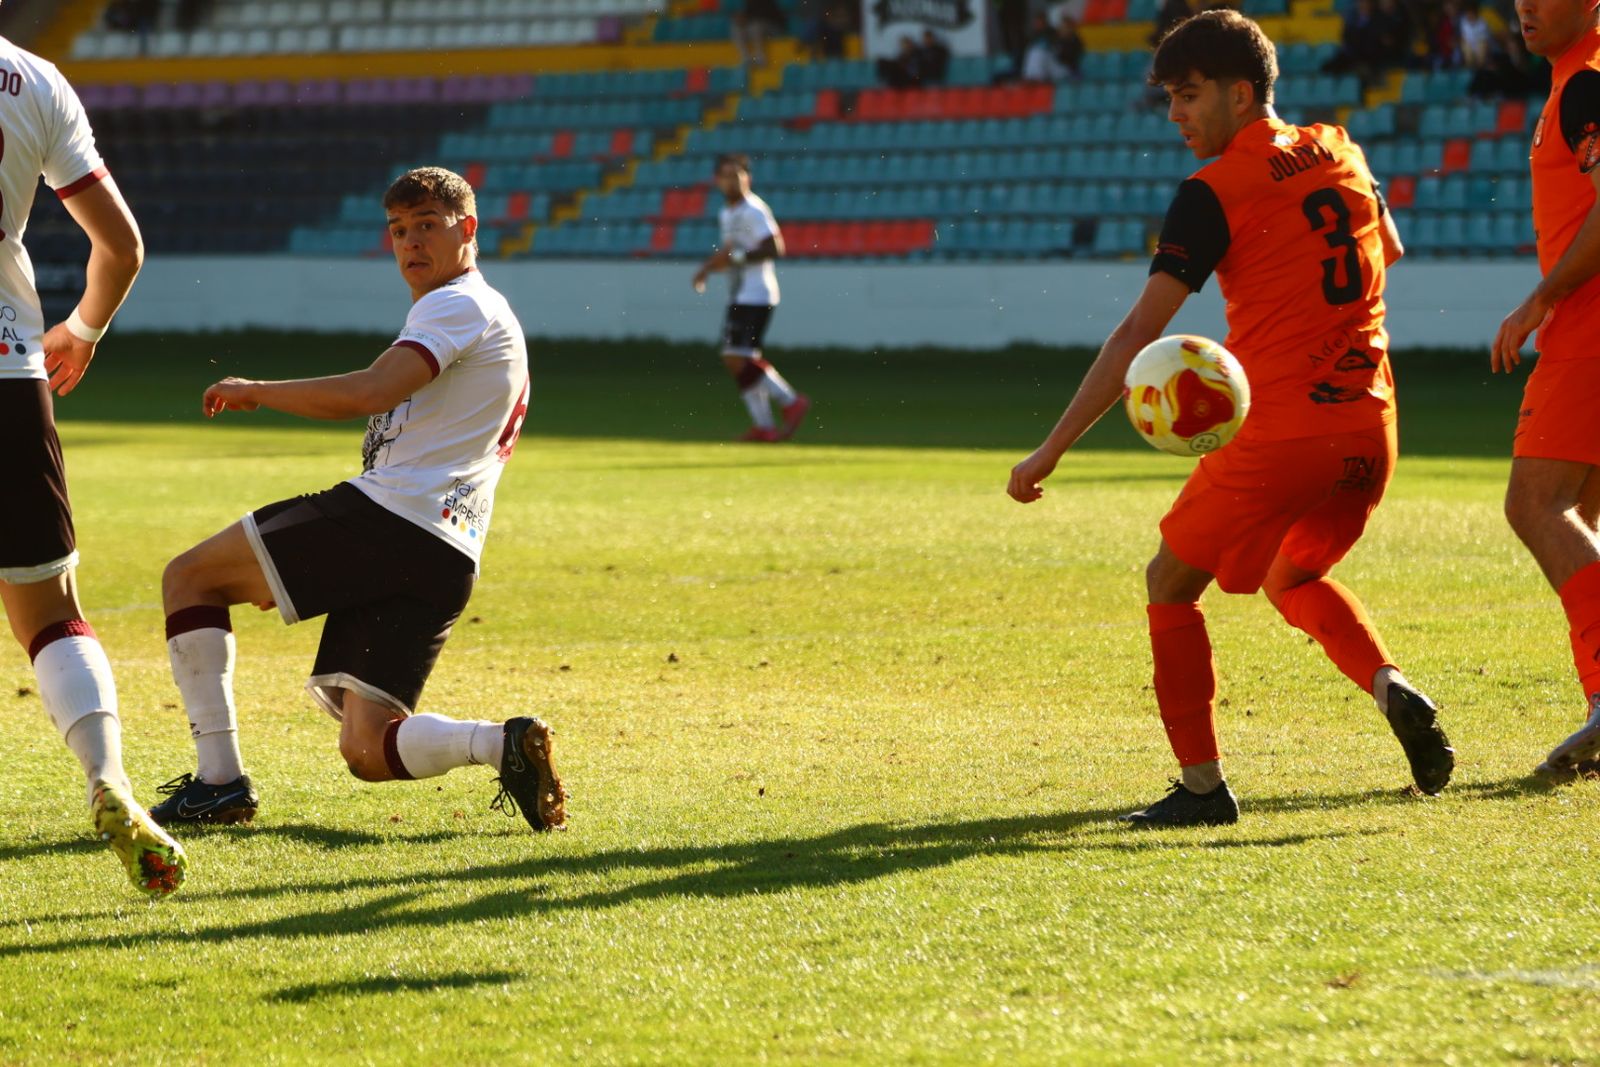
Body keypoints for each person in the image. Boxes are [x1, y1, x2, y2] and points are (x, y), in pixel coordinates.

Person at [1007, 9, 1454, 825]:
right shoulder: (1342, 148)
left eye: (1188, 95)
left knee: (1169, 582)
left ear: (1240, 94)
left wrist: (1050, 449)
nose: (1174, 114)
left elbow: (1136, 335)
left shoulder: (1211, 191)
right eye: (1169, 98)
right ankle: (1390, 683)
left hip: (1281, 435)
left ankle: (1202, 788)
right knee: (1293, 575)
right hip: (1371, 427)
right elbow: (1386, 246)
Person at [149, 167, 567, 832]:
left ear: (468, 229)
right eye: (399, 230)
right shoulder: (478, 311)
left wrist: (258, 390)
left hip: (391, 520)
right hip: (447, 550)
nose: (411, 242)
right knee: (367, 749)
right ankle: (502, 743)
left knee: (190, 578)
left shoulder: (458, 303)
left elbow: (369, 392)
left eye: (427, 225)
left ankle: (218, 783)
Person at [0, 29, 185, 895]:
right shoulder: (36, 81)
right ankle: (108, 777)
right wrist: (82, 327)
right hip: (9, 371)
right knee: (50, 611)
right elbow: (122, 247)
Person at [1490, 0, 1600, 779]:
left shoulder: (1587, 82)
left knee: (1536, 503)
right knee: (1582, 515)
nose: (1525, 4)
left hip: (1590, 324)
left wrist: (1541, 298)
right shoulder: (1573, 80)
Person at [692, 154, 810, 443]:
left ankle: (790, 401)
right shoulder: (727, 213)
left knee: (734, 356)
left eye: (738, 174)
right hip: (741, 292)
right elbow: (730, 252)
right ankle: (764, 427)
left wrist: (736, 258)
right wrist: (707, 269)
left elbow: (775, 247)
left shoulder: (754, 210)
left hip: (756, 292)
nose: (732, 180)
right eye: (726, 175)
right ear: (717, 181)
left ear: (748, 178)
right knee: (741, 359)